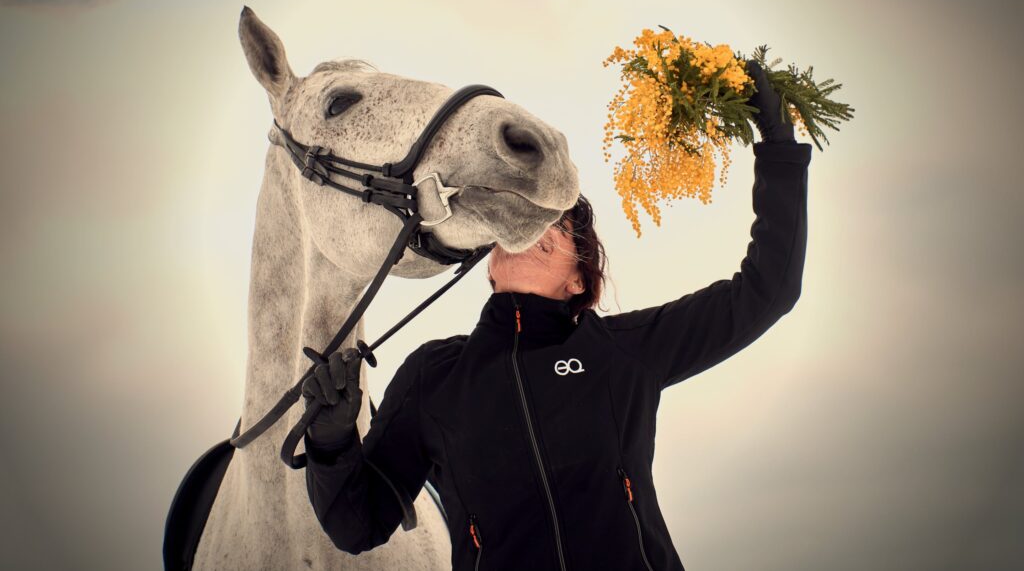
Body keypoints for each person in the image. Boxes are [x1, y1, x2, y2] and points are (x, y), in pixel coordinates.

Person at [301, 61, 812, 571]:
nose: (544, 225)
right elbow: (358, 525)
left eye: (562, 227)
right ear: (491, 264)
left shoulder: (622, 351)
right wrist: (330, 440)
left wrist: (778, 148)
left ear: (578, 283)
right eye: (537, 217)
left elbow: (767, 291)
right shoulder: (432, 376)